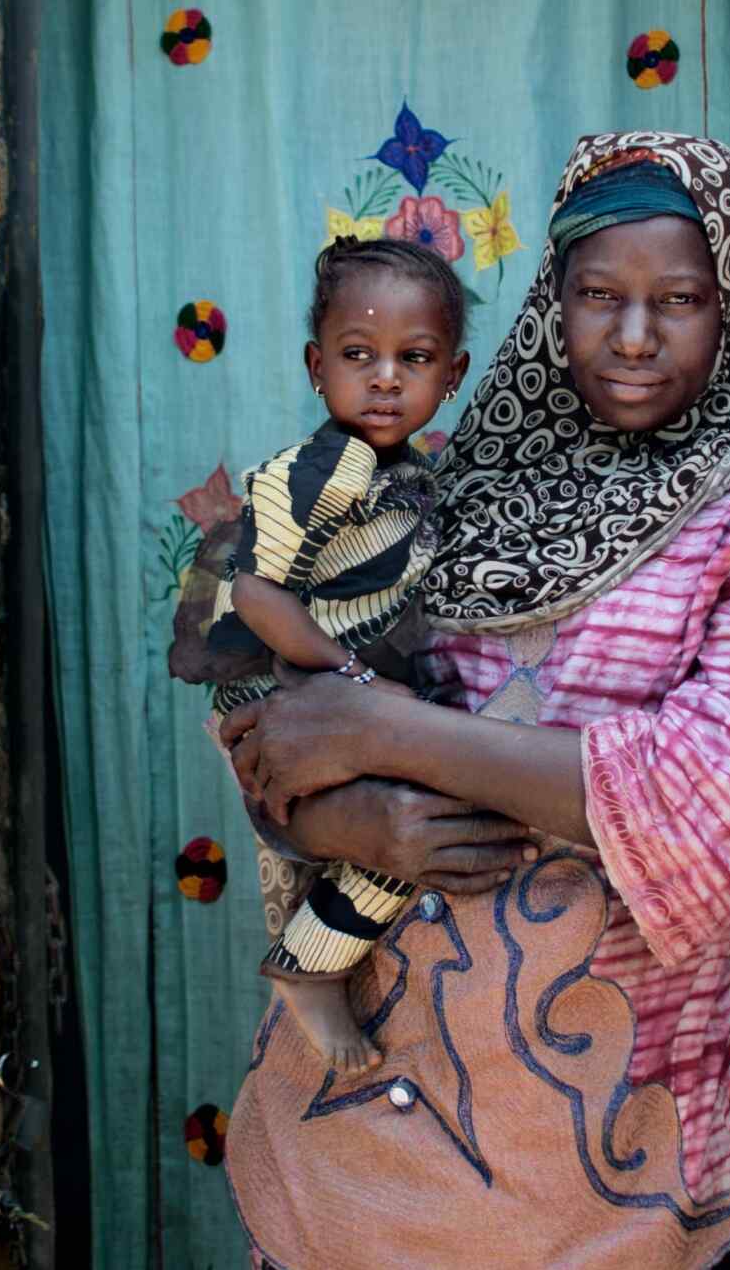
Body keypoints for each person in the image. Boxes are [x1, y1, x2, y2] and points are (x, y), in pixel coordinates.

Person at [213, 132, 730, 1269]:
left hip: (613, 1193)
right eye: (598, 294)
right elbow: (269, 737)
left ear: (729, 305)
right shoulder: (434, 498)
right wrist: (352, 820)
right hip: (342, 1166)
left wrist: (386, 731)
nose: (633, 337)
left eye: (678, 300)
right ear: (554, 300)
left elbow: (714, 819)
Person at [181, 235, 469, 1076]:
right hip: (298, 694)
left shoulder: (405, 468)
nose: (385, 377)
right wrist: (348, 679)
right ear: (317, 366)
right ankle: (307, 968)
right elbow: (256, 592)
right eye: (358, 354)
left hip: (345, 695)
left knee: (414, 825)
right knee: (406, 819)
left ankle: (314, 956)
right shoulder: (327, 465)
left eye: (413, 358)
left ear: (450, 377)